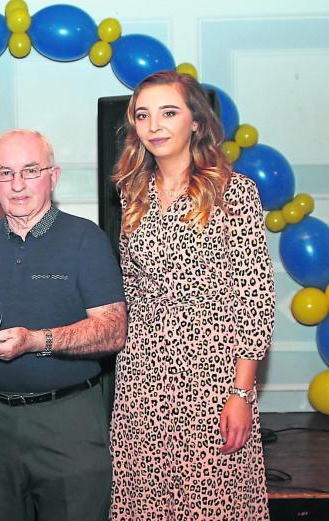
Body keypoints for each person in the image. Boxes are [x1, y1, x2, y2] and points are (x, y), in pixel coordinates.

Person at [110, 70, 275, 520]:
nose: (154, 125)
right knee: (144, 501)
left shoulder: (234, 192)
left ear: (196, 122)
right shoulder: (132, 193)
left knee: (213, 502)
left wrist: (242, 392)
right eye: (143, 115)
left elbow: (255, 298)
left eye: (168, 112)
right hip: (142, 373)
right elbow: (133, 288)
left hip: (213, 375)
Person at [0, 129, 128, 521]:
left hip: (68, 419)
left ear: (53, 176)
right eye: (5, 172)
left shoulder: (86, 239)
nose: (17, 184)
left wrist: (35, 341)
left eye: (30, 170)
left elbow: (113, 330)